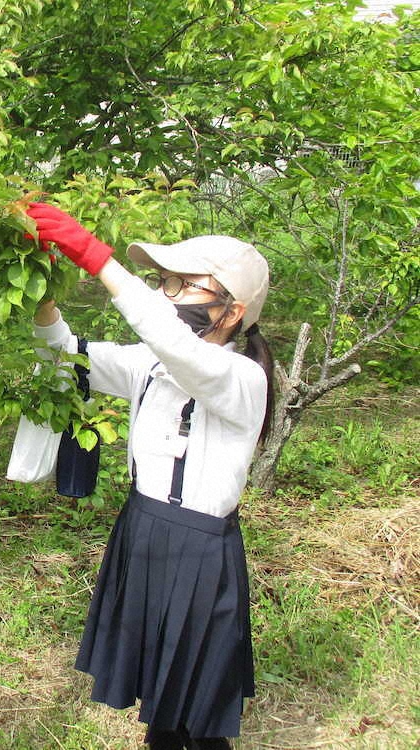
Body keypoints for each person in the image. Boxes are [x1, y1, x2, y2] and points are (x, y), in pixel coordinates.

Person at [25, 203, 274, 750]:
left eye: (186, 285)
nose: (169, 295)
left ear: (232, 311)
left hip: (197, 548)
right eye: (165, 282)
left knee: (198, 712)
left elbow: (181, 349)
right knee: (159, 698)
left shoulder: (241, 377)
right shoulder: (152, 363)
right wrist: (42, 296)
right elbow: (67, 356)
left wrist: (97, 258)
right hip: (142, 529)